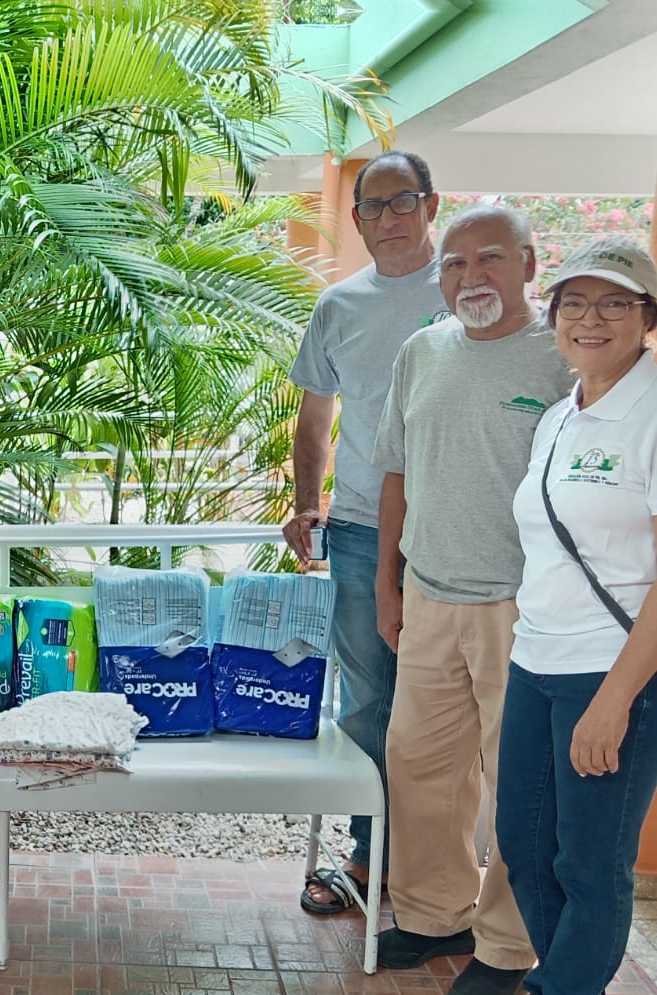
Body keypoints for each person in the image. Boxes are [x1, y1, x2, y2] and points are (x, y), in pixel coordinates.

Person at [463, 239, 657, 995]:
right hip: (539, 658)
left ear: (649, 319)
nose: (591, 319)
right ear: (553, 320)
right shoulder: (562, 416)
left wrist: (615, 700)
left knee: (590, 861)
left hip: (621, 676)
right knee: (525, 847)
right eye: (574, 303)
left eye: (616, 303)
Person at [369, 205, 573, 995]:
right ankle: (431, 916)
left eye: (488, 260)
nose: (469, 278)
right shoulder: (422, 352)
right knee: (418, 764)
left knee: (517, 784)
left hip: (521, 609)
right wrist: (388, 587)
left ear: (529, 263)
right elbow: (395, 475)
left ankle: (506, 945)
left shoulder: (562, 360)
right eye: (453, 265)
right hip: (429, 594)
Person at [283, 150, 453, 915]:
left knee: (458, 702)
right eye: (373, 206)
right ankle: (369, 854)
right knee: (368, 700)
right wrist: (304, 503)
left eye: (402, 202)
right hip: (355, 527)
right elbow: (315, 420)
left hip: (460, 534)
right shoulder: (338, 306)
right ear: (355, 219)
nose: (388, 218)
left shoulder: (467, 291)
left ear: (430, 205)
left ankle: (442, 867)